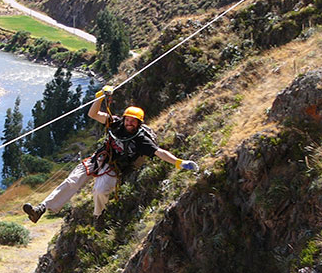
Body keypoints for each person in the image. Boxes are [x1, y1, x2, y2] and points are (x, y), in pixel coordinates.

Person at [23, 86, 198, 223]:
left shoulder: (141, 139)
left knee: (99, 191)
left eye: (133, 121)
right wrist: (100, 96)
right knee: (72, 181)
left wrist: (178, 163)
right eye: (127, 119)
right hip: (100, 158)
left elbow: (159, 152)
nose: (129, 123)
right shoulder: (115, 122)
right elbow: (93, 114)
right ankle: (41, 209)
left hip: (116, 167)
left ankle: (98, 215)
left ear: (139, 123)